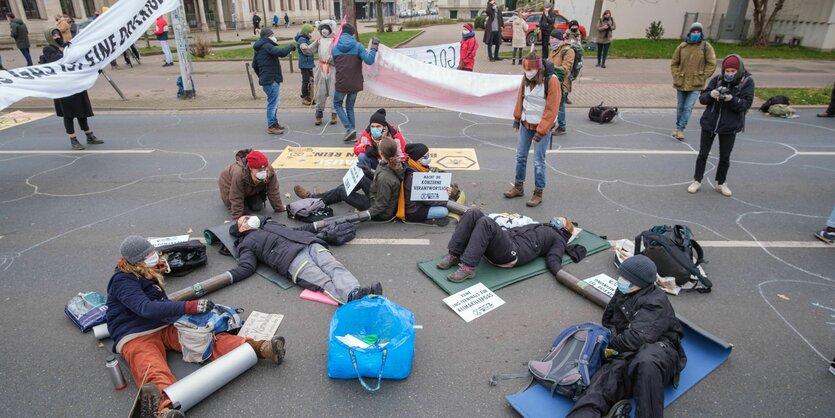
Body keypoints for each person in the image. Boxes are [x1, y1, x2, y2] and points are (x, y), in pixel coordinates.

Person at [106, 235, 286, 418]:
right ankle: (164, 409)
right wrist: (189, 307)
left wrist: (193, 315)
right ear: (138, 260)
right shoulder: (122, 280)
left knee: (204, 337)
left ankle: (260, 348)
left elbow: (159, 305)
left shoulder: (145, 271)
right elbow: (145, 308)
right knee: (151, 367)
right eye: (150, 253)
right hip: (134, 334)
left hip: (163, 324)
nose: (155, 254)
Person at [567, 255, 686, 418]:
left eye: (625, 277)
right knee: (599, 388)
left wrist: (608, 344)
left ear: (638, 282)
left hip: (659, 350)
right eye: (621, 275)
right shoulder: (626, 291)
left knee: (646, 361)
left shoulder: (656, 302)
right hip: (627, 352)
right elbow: (609, 321)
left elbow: (636, 338)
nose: (620, 280)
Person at [228, 215, 382, 304]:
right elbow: (246, 266)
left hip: (309, 243)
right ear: (242, 229)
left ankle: (357, 292)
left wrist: (317, 229)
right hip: (291, 259)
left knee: (334, 267)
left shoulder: (269, 224)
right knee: (324, 281)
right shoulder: (245, 243)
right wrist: (228, 277)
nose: (250, 218)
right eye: (245, 219)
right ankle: (353, 298)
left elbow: (295, 230)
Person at [436, 209, 574, 282]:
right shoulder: (540, 225)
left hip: (513, 253)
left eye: (561, 220)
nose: (557, 219)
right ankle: (455, 254)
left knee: (486, 222)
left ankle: (467, 268)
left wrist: (560, 272)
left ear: (565, 229)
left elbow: (554, 258)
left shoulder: (559, 238)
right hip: (506, 242)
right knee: (474, 213)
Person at [687, 54, 753, 198]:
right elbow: (703, 99)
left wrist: (732, 99)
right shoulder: (717, 79)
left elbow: (746, 104)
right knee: (702, 154)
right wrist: (711, 94)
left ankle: (721, 182)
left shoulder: (746, 82)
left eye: (732, 71)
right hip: (710, 122)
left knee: (725, 156)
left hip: (730, 125)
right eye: (727, 71)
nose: (729, 74)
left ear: (739, 70)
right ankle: (697, 180)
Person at [294, 137, 404, 222]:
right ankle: (325, 197)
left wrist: (363, 215)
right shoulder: (390, 162)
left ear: (380, 152)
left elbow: (381, 205)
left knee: (342, 191)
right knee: (359, 178)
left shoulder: (385, 178)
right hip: (377, 194)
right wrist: (369, 173)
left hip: (381, 212)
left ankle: (314, 199)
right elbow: (382, 179)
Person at [506, 52, 561, 207]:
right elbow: (520, 98)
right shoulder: (526, 78)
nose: (527, 73)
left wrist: (541, 132)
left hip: (542, 127)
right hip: (526, 124)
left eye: (529, 70)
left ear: (538, 69)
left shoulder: (552, 81)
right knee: (520, 156)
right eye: (525, 70)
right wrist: (517, 119)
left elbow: (551, 110)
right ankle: (518, 186)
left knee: (538, 161)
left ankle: (538, 192)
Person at [40, 29, 103, 151]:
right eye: (54, 35)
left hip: (76, 85)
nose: (57, 37)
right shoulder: (48, 49)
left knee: (82, 111)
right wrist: (64, 50)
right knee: (68, 115)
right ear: (50, 37)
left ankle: (89, 135)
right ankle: (73, 139)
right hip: (63, 88)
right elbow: (56, 61)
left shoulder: (67, 47)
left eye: (58, 34)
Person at [332, 23, 379, 142]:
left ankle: (349, 129)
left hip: (341, 82)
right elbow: (369, 60)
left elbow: (334, 62)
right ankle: (351, 132)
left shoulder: (335, 47)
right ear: (352, 34)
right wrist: (374, 48)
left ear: (342, 33)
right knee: (349, 107)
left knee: (337, 104)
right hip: (355, 82)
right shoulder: (358, 46)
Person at [671, 22, 716, 141]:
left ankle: (681, 129)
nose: (696, 34)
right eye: (694, 32)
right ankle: (677, 127)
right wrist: (676, 74)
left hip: (696, 83)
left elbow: (711, 63)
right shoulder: (682, 46)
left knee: (688, 107)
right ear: (690, 33)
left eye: (698, 32)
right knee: (680, 106)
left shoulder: (706, 47)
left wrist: (704, 76)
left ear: (701, 33)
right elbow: (674, 62)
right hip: (681, 81)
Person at [252, 28, 296, 134]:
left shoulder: (259, 49)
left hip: (267, 80)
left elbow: (254, 65)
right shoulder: (267, 46)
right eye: (272, 35)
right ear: (268, 36)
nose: (274, 37)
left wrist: (261, 76)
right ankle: (271, 126)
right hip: (271, 80)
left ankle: (275, 123)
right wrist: (291, 46)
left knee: (274, 103)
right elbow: (281, 52)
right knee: (273, 104)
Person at [218, 149, 285, 219]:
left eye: (265, 169)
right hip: (229, 188)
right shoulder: (239, 174)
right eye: (259, 170)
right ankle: (242, 204)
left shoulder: (269, 170)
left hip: (249, 189)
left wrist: (279, 208)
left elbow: (273, 191)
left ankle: (246, 201)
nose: (263, 172)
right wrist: (236, 219)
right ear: (251, 168)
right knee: (243, 211)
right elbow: (236, 196)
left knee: (257, 207)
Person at [399, 143, 455, 226]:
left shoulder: (419, 168)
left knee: (446, 205)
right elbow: (428, 200)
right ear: (418, 159)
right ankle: (428, 220)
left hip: (420, 204)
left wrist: (445, 192)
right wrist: (445, 200)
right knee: (444, 211)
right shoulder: (413, 177)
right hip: (413, 211)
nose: (429, 158)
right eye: (426, 156)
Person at [548, 29, 574, 137]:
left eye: (553, 38)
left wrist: (550, 68)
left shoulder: (568, 51)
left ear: (559, 39)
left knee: (560, 104)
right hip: (552, 80)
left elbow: (566, 68)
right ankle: (551, 123)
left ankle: (562, 126)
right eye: (550, 38)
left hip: (562, 83)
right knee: (553, 103)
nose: (551, 40)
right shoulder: (554, 49)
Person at [312, 20, 339, 126]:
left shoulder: (335, 41)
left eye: (326, 28)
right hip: (321, 70)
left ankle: (334, 113)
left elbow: (339, 55)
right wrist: (303, 47)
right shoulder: (318, 41)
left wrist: (331, 59)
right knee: (320, 93)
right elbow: (310, 50)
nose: (324, 31)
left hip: (332, 69)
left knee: (334, 92)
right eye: (322, 28)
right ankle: (318, 114)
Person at [296, 23, 316, 106]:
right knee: (306, 81)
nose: (310, 34)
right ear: (305, 32)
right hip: (305, 64)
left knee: (310, 80)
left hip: (309, 63)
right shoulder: (301, 39)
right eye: (309, 32)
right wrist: (309, 47)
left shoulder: (305, 38)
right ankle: (304, 97)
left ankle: (310, 96)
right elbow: (304, 47)